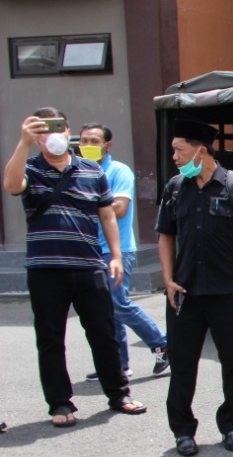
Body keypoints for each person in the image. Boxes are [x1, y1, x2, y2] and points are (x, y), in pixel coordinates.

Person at [3, 108, 147, 426]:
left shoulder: (91, 170)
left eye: (57, 128)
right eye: (42, 130)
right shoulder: (30, 168)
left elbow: (107, 214)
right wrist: (23, 142)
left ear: (69, 132)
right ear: (36, 137)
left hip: (89, 265)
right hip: (45, 269)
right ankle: (60, 403)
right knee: (51, 338)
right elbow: (11, 185)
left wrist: (116, 256)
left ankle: (118, 394)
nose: (51, 135)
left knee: (104, 332)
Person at [156, 119, 233, 456]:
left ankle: (231, 425)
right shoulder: (175, 187)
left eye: (179, 150)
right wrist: (168, 279)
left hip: (228, 291)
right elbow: (165, 235)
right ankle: (183, 430)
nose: (174, 156)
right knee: (182, 365)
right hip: (185, 293)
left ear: (200, 151)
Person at [78, 123, 169, 380]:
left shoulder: (118, 171)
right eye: (84, 141)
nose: (88, 146)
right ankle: (117, 364)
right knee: (105, 310)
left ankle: (162, 343)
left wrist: (82, 202)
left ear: (107, 145)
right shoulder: (79, 171)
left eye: (94, 141)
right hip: (89, 250)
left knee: (117, 304)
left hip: (116, 251)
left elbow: (119, 209)